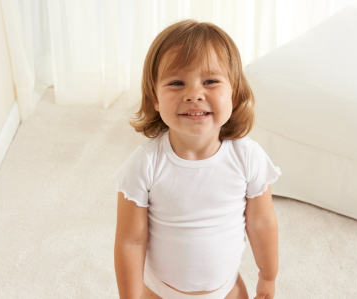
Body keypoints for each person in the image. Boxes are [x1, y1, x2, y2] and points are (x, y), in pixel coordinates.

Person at [111, 19, 282, 299]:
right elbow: (130, 241)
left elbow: (262, 222)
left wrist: (268, 276)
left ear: (235, 94)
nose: (193, 94)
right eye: (176, 82)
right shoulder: (144, 165)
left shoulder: (247, 157)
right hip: (159, 292)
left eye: (211, 81)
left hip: (227, 290)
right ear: (154, 97)